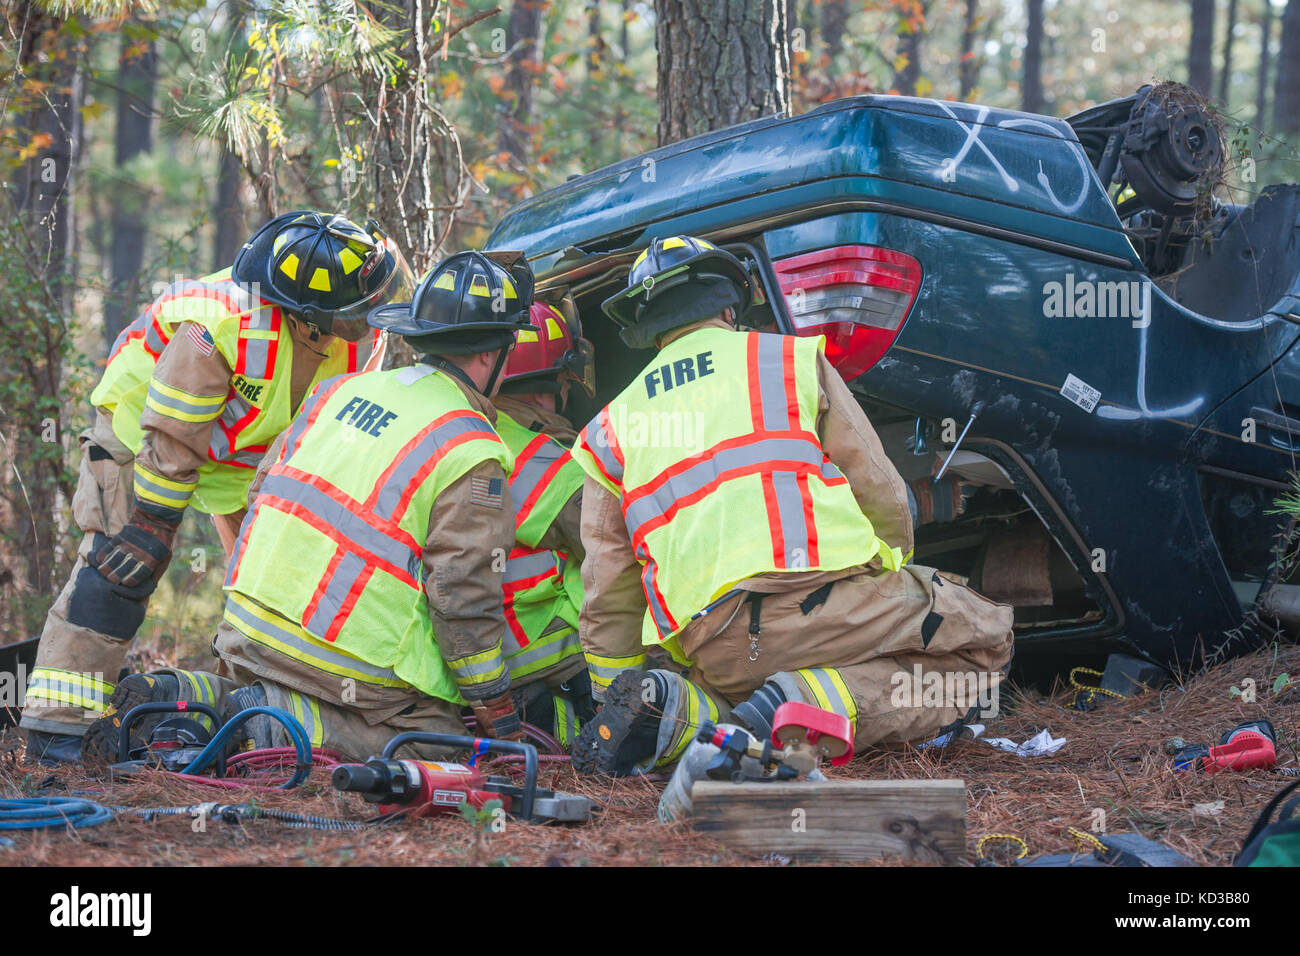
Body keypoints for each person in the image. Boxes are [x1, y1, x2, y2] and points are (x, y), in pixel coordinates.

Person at [567, 235, 1015, 775]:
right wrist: (887, 570)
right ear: (730, 306)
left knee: (736, 692)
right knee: (983, 642)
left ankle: (680, 709)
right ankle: (800, 705)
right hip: (823, 604)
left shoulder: (610, 426)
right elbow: (881, 489)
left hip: (715, 644)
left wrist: (608, 694)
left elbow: (608, 588)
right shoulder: (788, 359)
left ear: (646, 328)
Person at [24, 211, 410, 764]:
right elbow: (173, 432)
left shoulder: (359, 333)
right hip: (144, 435)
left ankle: (235, 713)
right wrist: (154, 522)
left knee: (265, 584)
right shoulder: (217, 326)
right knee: (120, 569)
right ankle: (56, 733)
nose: (377, 316)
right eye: (362, 307)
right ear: (307, 315)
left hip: (242, 457)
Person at [190, 250, 536, 763]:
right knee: (443, 747)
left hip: (246, 634)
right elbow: (462, 598)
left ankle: (191, 696)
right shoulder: (470, 448)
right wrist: (498, 716)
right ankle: (280, 726)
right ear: (490, 356)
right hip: (341, 665)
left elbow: (260, 493)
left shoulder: (337, 391)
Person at [491, 297, 598, 749]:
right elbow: (613, 551)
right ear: (544, 392)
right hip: (537, 650)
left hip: (470, 658)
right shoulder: (548, 462)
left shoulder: (460, 430)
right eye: (564, 382)